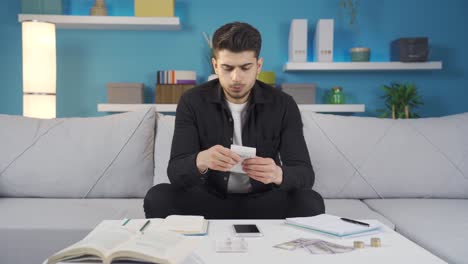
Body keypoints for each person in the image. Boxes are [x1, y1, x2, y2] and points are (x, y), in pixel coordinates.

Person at [144, 22, 324, 219]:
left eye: (245, 67)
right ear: (215, 65)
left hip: (264, 201)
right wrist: (201, 160)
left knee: (310, 201)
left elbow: (305, 174)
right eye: (227, 68)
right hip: (209, 200)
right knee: (158, 197)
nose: (236, 78)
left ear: (258, 66)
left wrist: (277, 174)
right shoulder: (192, 101)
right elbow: (175, 173)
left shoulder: (284, 104)